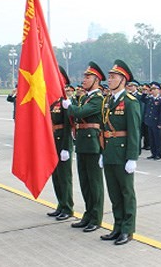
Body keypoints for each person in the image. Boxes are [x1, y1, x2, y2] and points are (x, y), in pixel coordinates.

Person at [99, 59, 141, 246]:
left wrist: (132, 157)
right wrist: (102, 152)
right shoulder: (108, 100)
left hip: (123, 155)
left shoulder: (130, 102)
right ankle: (117, 227)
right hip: (109, 153)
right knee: (114, 193)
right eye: (109, 77)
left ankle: (127, 229)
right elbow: (103, 129)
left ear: (123, 80)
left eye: (113, 77)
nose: (109, 80)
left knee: (126, 193)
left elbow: (134, 131)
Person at [62, 62, 105, 233]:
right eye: (84, 77)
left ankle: (96, 218)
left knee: (95, 184)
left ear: (96, 80)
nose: (84, 80)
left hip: (93, 145)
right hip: (82, 143)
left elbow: (80, 113)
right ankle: (88, 215)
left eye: (88, 77)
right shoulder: (86, 97)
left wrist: (69, 107)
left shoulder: (98, 98)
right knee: (85, 182)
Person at [48, 66, 74, 221]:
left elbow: (67, 126)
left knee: (64, 177)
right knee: (56, 176)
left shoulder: (65, 101)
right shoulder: (50, 99)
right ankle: (60, 204)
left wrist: (66, 147)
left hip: (61, 141)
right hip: (51, 142)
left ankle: (67, 207)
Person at [142, 82, 161, 160]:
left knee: (157, 139)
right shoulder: (150, 99)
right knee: (151, 139)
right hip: (150, 122)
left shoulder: (160, 100)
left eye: (154, 89)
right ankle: (153, 153)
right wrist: (145, 93)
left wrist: (160, 123)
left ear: (158, 90)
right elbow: (142, 99)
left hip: (156, 123)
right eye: (151, 89)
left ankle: (158, 154)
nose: (152, 91)